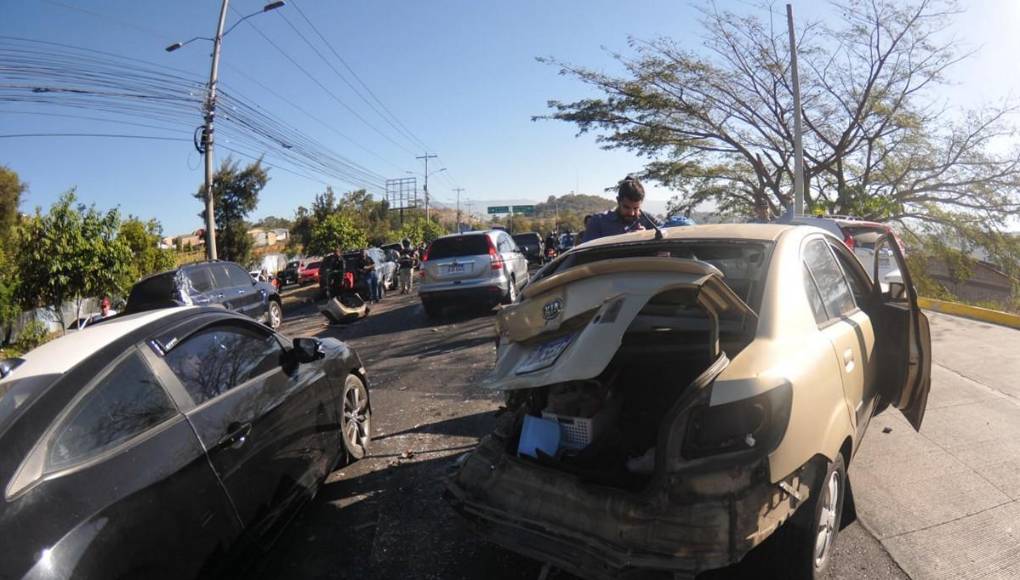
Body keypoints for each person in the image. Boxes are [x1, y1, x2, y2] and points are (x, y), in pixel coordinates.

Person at [582, 175, 652, 242]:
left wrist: (648, 235)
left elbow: (662, 231)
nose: (631, 213)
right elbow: (586, 251)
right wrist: (626, 238)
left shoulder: (647, 219)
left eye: (636, 208)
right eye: (626, 207)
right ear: (618, 201)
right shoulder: (598, 222)